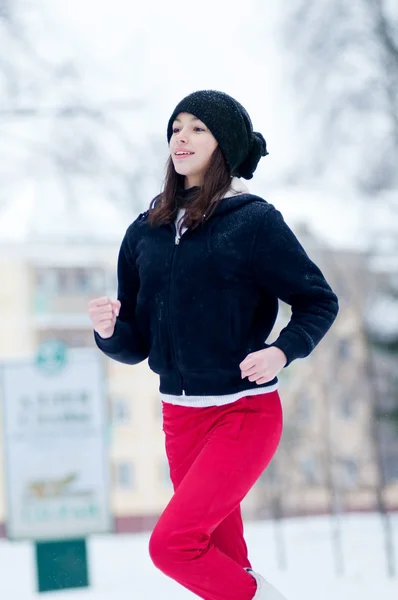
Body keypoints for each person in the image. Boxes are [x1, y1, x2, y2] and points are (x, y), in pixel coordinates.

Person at [88, 90, 339, 600]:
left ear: (222, 144)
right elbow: (136, 344)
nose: (182, 137)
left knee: (173, 546)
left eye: (198, 128)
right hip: (180, 418)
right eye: (177, 126)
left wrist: (281, 350)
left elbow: (318, 301)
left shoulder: (252, 221)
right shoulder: (145, 232)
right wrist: (109, 330)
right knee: (221, 561)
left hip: (243, 413)